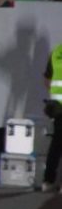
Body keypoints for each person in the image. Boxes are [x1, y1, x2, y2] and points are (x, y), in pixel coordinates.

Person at [42, 42, 62, 193]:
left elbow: (47, 81)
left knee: (56, 143)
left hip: (58, 106)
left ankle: (48, 180)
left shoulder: (56, 52)